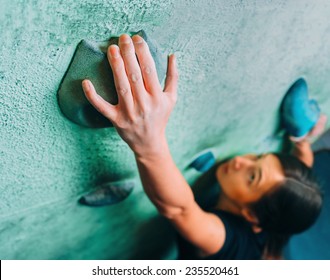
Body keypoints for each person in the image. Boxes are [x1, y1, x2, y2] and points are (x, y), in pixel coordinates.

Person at [81, 34, 325, 260]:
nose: (242, 161)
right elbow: (303, 165)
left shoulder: (223, 241)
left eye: (252, 176)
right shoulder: (279, 212)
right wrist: (302, 137)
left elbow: (179, 210)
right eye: (259, 158)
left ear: (251, 216)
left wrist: (148, 142)